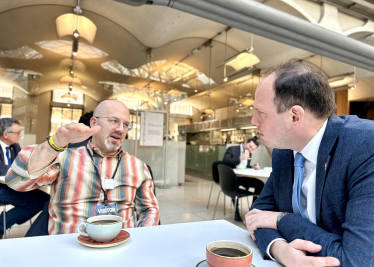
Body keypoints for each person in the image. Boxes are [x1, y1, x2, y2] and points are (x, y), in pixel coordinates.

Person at [245, 61, 374, 267]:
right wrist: (280, 250)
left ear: (295, 116)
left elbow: (357, 261)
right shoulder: (283, 152)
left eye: (261, 112)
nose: (253, 120)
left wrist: (282, 219)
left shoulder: (366, 147)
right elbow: (257, 216)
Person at [5, 100, 159, 235]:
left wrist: (139, 241)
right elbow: (16, 181)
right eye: (114, 121)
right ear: (94, 123)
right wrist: (55, 143)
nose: (121, 128)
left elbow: (149, 210)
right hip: (70, 250)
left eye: (126, 124)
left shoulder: (138, 167)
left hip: (120, 249)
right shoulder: (64, 158)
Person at [0, 118, 49, 238]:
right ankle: (1, 226)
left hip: (13, 184)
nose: (20, 135)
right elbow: (2, 169)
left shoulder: (14, 146)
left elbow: (23, 163)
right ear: (6, 134)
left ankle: (15, 218)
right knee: (31, 204)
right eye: (17, 132)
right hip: (1, 186)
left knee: (46, 199)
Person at [223, 138, 263, 221]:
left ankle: (252, 210)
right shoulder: (232, 149)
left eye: (252, 149)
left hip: (243, 178)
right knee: (235, 186)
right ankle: (236, 212)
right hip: (232, 178)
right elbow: (225, 161)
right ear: (245, 142)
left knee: (260, 184)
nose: (250, 149)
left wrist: (252, 167)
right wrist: (240, 158)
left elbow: (244, 167)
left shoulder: (249, 154)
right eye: (250, 146)